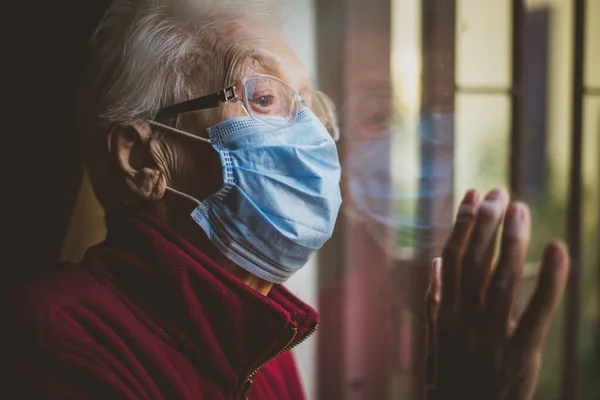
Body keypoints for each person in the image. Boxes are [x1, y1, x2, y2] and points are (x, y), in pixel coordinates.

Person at [3, 0, 569, 399]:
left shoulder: (265, 358)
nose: (314, 137)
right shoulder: (52, 343)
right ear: (143, 160)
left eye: (313, 108)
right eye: (266, 97)